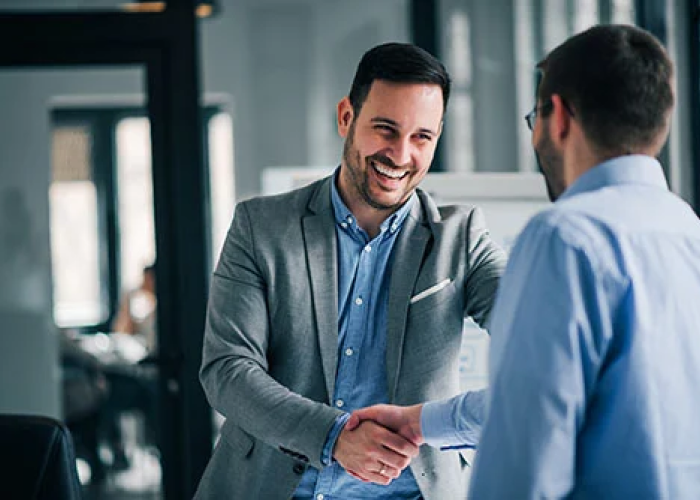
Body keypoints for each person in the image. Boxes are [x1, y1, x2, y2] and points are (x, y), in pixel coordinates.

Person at [348, 24, 700, 498]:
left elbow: (526, 449)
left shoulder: (565, 237)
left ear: (557, 118)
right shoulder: (687, 230)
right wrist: (421, 421)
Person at [194, 42, 506, 499]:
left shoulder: (461, 238)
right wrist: (333, 436)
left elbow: (541, 340)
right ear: (346, 117)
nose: (401, 155)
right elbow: (227, 370)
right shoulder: (260, 228)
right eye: (385, 129)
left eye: (422, 137)